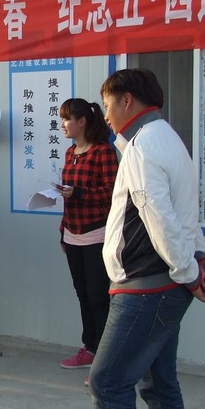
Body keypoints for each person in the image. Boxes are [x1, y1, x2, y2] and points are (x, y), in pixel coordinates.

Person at [61, 68, 205, 409]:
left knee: (108, 382)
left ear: (127, 100)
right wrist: (198, 256)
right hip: (163, 283)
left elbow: (158, 215)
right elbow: (186, 211)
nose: (104, 115)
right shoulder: (166, 138)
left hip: (148, 287)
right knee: (159, 383)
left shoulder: (144, 146)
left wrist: (189, 270)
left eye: (107, 104)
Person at [53, 98, 118, 373]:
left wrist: (78, 193)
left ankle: (107, 356)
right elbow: (69, 195)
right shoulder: (70, 152)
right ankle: (90, 348)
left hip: (96, 233)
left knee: (98, 296)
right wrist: (63, 231)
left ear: (82, 122)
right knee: (82, 294)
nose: (63, 124)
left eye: (67, 118)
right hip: (72, 233)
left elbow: (113, 191)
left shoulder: (103, 151)